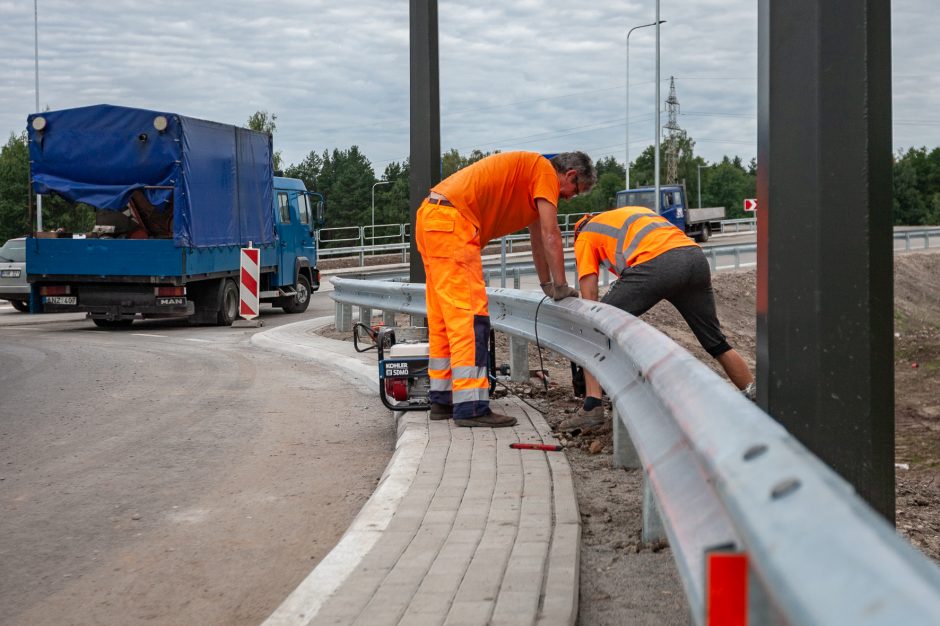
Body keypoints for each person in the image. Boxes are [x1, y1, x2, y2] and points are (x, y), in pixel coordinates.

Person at [416, 151, 596, 427]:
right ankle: (472, 406)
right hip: (454, 224)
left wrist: (547, 284)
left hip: (432, 217)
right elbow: (551, 235)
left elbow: (537, 239)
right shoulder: (545, 173)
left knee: (444, 318)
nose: (570, 198)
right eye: (575, 191)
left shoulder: (531, 175)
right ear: (570, 174)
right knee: (470, 318)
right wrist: (561, 286)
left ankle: (444, 399)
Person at [561, 206, 755, 432]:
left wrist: (588, 321)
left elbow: (590, 295)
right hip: (694, 259)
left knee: (595, 326)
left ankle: (592, 406)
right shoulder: (630, 215)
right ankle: (753, 395)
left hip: (658, 265)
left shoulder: (584, 235)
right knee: (716, 342)